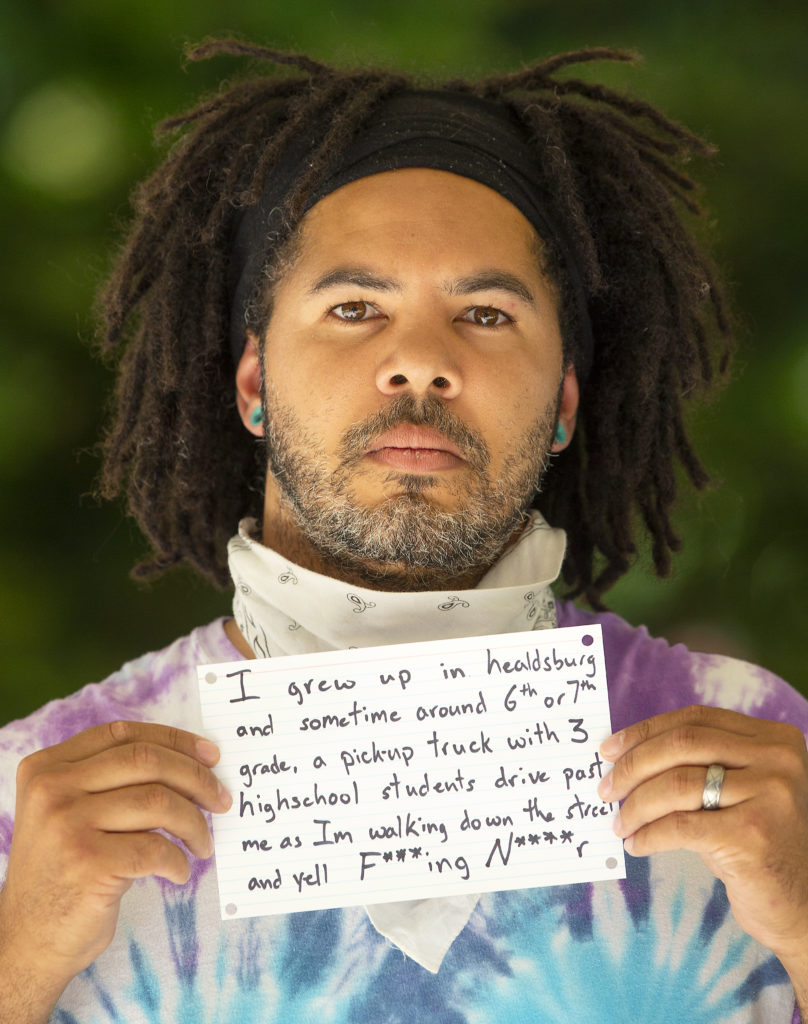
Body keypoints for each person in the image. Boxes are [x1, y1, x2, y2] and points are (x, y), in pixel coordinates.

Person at [0, 38, 806, 1023]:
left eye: (486, 314)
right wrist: (17, 961)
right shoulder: (31, 803)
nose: (419, 361)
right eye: (354, 308)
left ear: (562, 404)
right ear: (253, 383)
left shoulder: (770, 762)